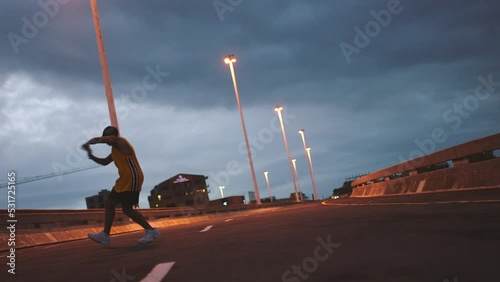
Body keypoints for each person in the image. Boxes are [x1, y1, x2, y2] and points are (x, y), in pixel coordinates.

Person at [82, 126, 159, 246]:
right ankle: (105, 235)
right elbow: (104, 162)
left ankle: (151, 230)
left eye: (108, 136)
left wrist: (89, 142)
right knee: (110, 203)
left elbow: (104, 139)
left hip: (132, 177)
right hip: (124, 180)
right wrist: (91, 156)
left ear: (113, 135)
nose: (107, 139)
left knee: (127, 209)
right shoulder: (115, 149)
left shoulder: (121, 141)